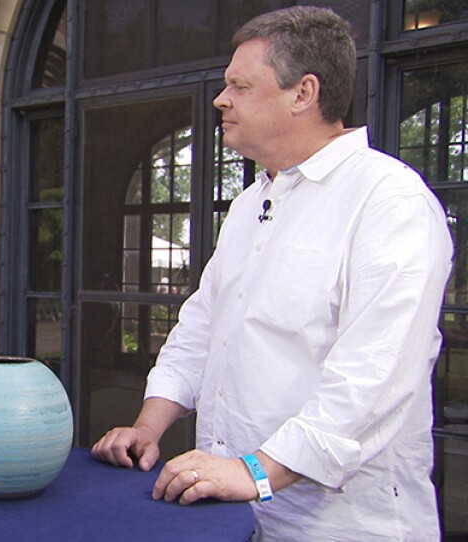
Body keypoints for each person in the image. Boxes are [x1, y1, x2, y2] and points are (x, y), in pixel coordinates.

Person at [91, 7, 452, 541]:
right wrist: (148, 427)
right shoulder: (249, 206)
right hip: (234, 514)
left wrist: (254, 471)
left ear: (303, 93)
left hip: (343, 526)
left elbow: (373, 378)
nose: (220, 99)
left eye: (239, 85)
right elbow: (203, 327)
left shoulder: (389, 202)